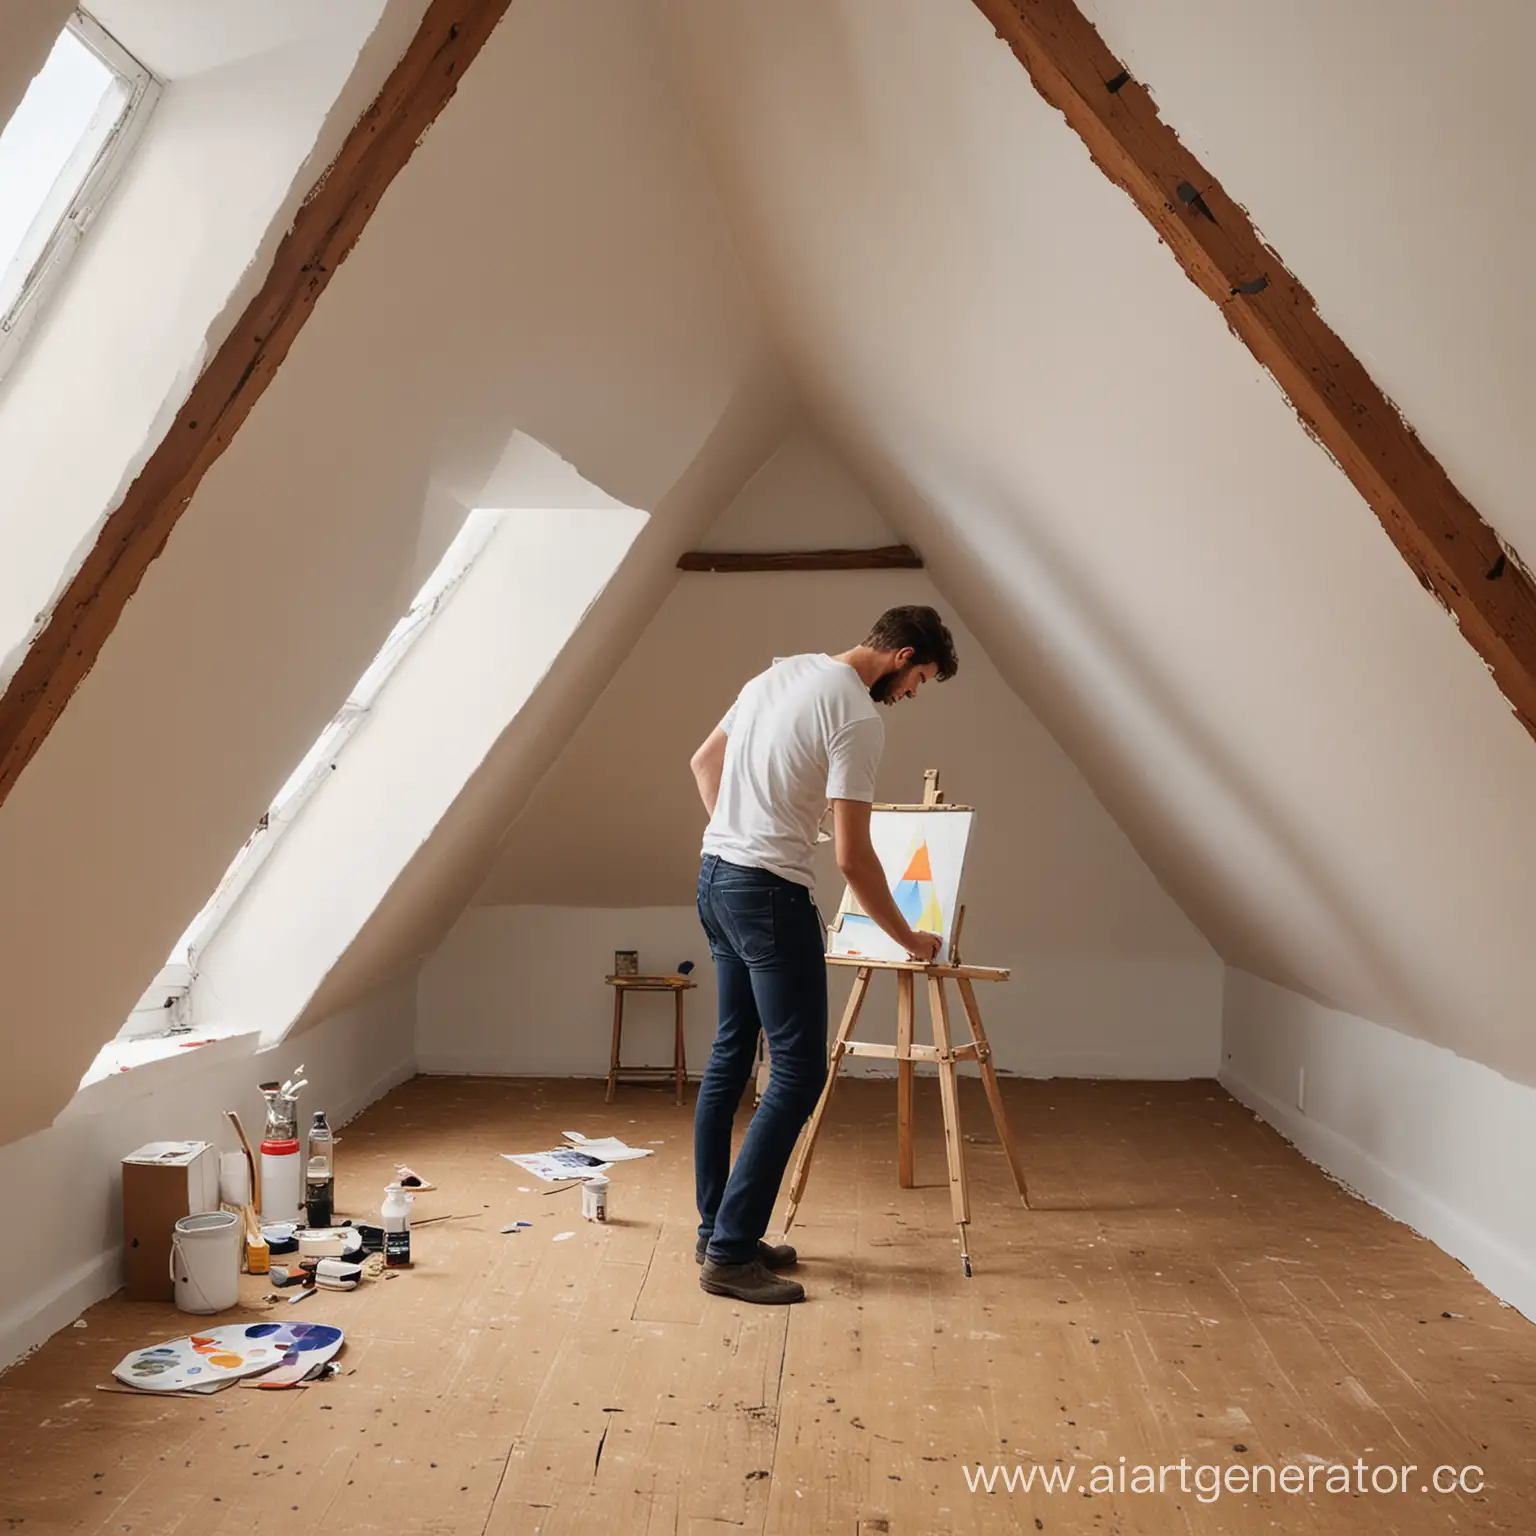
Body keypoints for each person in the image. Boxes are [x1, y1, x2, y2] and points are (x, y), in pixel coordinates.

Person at [687, 605, 959, 1304]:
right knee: (800, 1073)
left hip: (715, 879)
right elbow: (853, 857)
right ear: (900, 656)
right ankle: (731, 1252)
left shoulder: (780, 674)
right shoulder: (858, 718)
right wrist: (912, 939)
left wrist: (737, 837)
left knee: (728, 1055)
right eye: (919, 680)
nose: (912, 696)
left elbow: (703, 761)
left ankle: (717, 1228)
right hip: (770, 898)